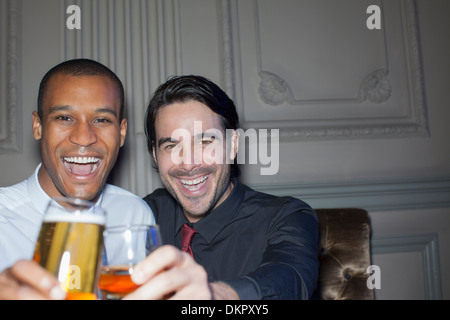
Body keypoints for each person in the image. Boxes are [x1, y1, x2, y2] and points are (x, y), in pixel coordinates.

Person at [128, 75, 319, 300]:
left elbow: (292, 279)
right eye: (171, 145)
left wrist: (217, 295)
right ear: (154, 154)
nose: (188, 163)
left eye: (205, 142)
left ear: (233, 145)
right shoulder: (142, 215)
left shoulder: (287, 216)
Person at [0, 59, 154, 299]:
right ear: (38, 126)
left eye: (102, 120)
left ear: (122, 132)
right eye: (64, 118)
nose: (84, 138)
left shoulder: (135, 215)